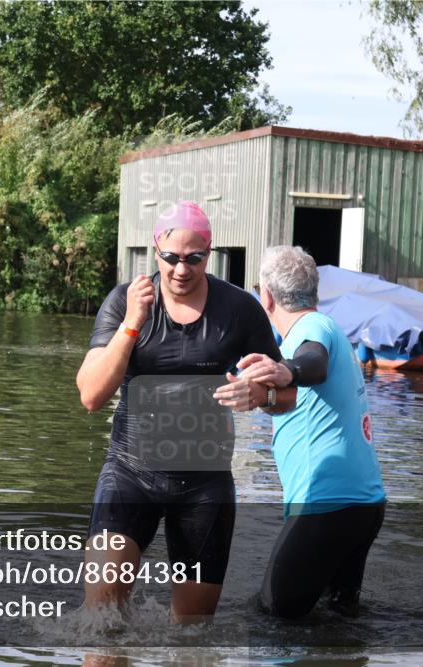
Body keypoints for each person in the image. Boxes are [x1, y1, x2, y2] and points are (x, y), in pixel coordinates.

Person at [76, 201, 293, 623]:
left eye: (193, 258)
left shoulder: (239, 309)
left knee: (192, 638)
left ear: (208, 254)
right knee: (100, 624)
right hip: (129, 473)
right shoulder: (125, 300)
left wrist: (260, 397)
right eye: (171, 258)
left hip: (204, 485)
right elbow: (90, 395)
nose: (181, 269)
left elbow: (289, 396)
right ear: (155, 251)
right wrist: (133, 324)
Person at [226, 245, 386, 619]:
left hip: (328, 504)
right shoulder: (329, 329)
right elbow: (299, 398)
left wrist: (290, 370)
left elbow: (312, 364)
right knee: (338, 619)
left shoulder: (310, 329)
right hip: (361, 505)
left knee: (272, 618)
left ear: (264, 295)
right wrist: (264, 394)